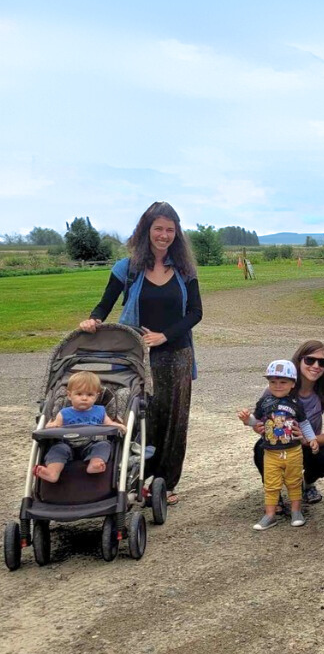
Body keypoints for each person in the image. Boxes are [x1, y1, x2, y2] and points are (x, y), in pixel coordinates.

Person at [79, 202, 202, 505]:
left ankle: (165, 484)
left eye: (170, 230)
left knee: (173, 422)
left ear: (177, 233)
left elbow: (195, 312)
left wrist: (164, 335)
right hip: (135, 355)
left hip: (176, 355)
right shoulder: (128, 268)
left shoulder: (185, 270)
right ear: (146, 230)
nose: (164, 235)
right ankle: (133, 478)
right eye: (158, 228)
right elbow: (105, 303)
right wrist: (94, 319)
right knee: (136, 417)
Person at [250, 339, 324, 507]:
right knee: (260, 449)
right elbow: (258, 421)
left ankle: (307, 484)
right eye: (310, 360)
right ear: (298, 361)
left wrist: (307, 440)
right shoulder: (278, 387)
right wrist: (257, 427)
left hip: (306, 446)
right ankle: (273, 492)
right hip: (278, 443)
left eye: (322, 362)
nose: (316, 366)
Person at [238, 360, 316, 530]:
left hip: (293, 450)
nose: (277, 386)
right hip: (271, 452)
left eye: (283, 382)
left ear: (292, 384)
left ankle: (296, 511)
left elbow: (304, 423)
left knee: (294, 481)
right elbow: (256, 422)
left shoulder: (296, 403)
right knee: (271, 484)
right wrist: (246, 419)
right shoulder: (264, 402)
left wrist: (312, 439)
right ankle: (270, 514)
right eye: (273, 382)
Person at [34, 371, 125, 483]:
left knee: (104, 445)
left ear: (96, 396)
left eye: (90, 395)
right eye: (79, 394)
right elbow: (54, 425)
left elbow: (109, 423)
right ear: (69, 395)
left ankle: (95, 464)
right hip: (68, 445)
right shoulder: (64, 413)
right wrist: (50, 426)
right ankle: (52, 472)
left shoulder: (100, 411)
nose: (84, 398)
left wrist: (118, 425)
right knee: (57, 449)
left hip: (92, 444)